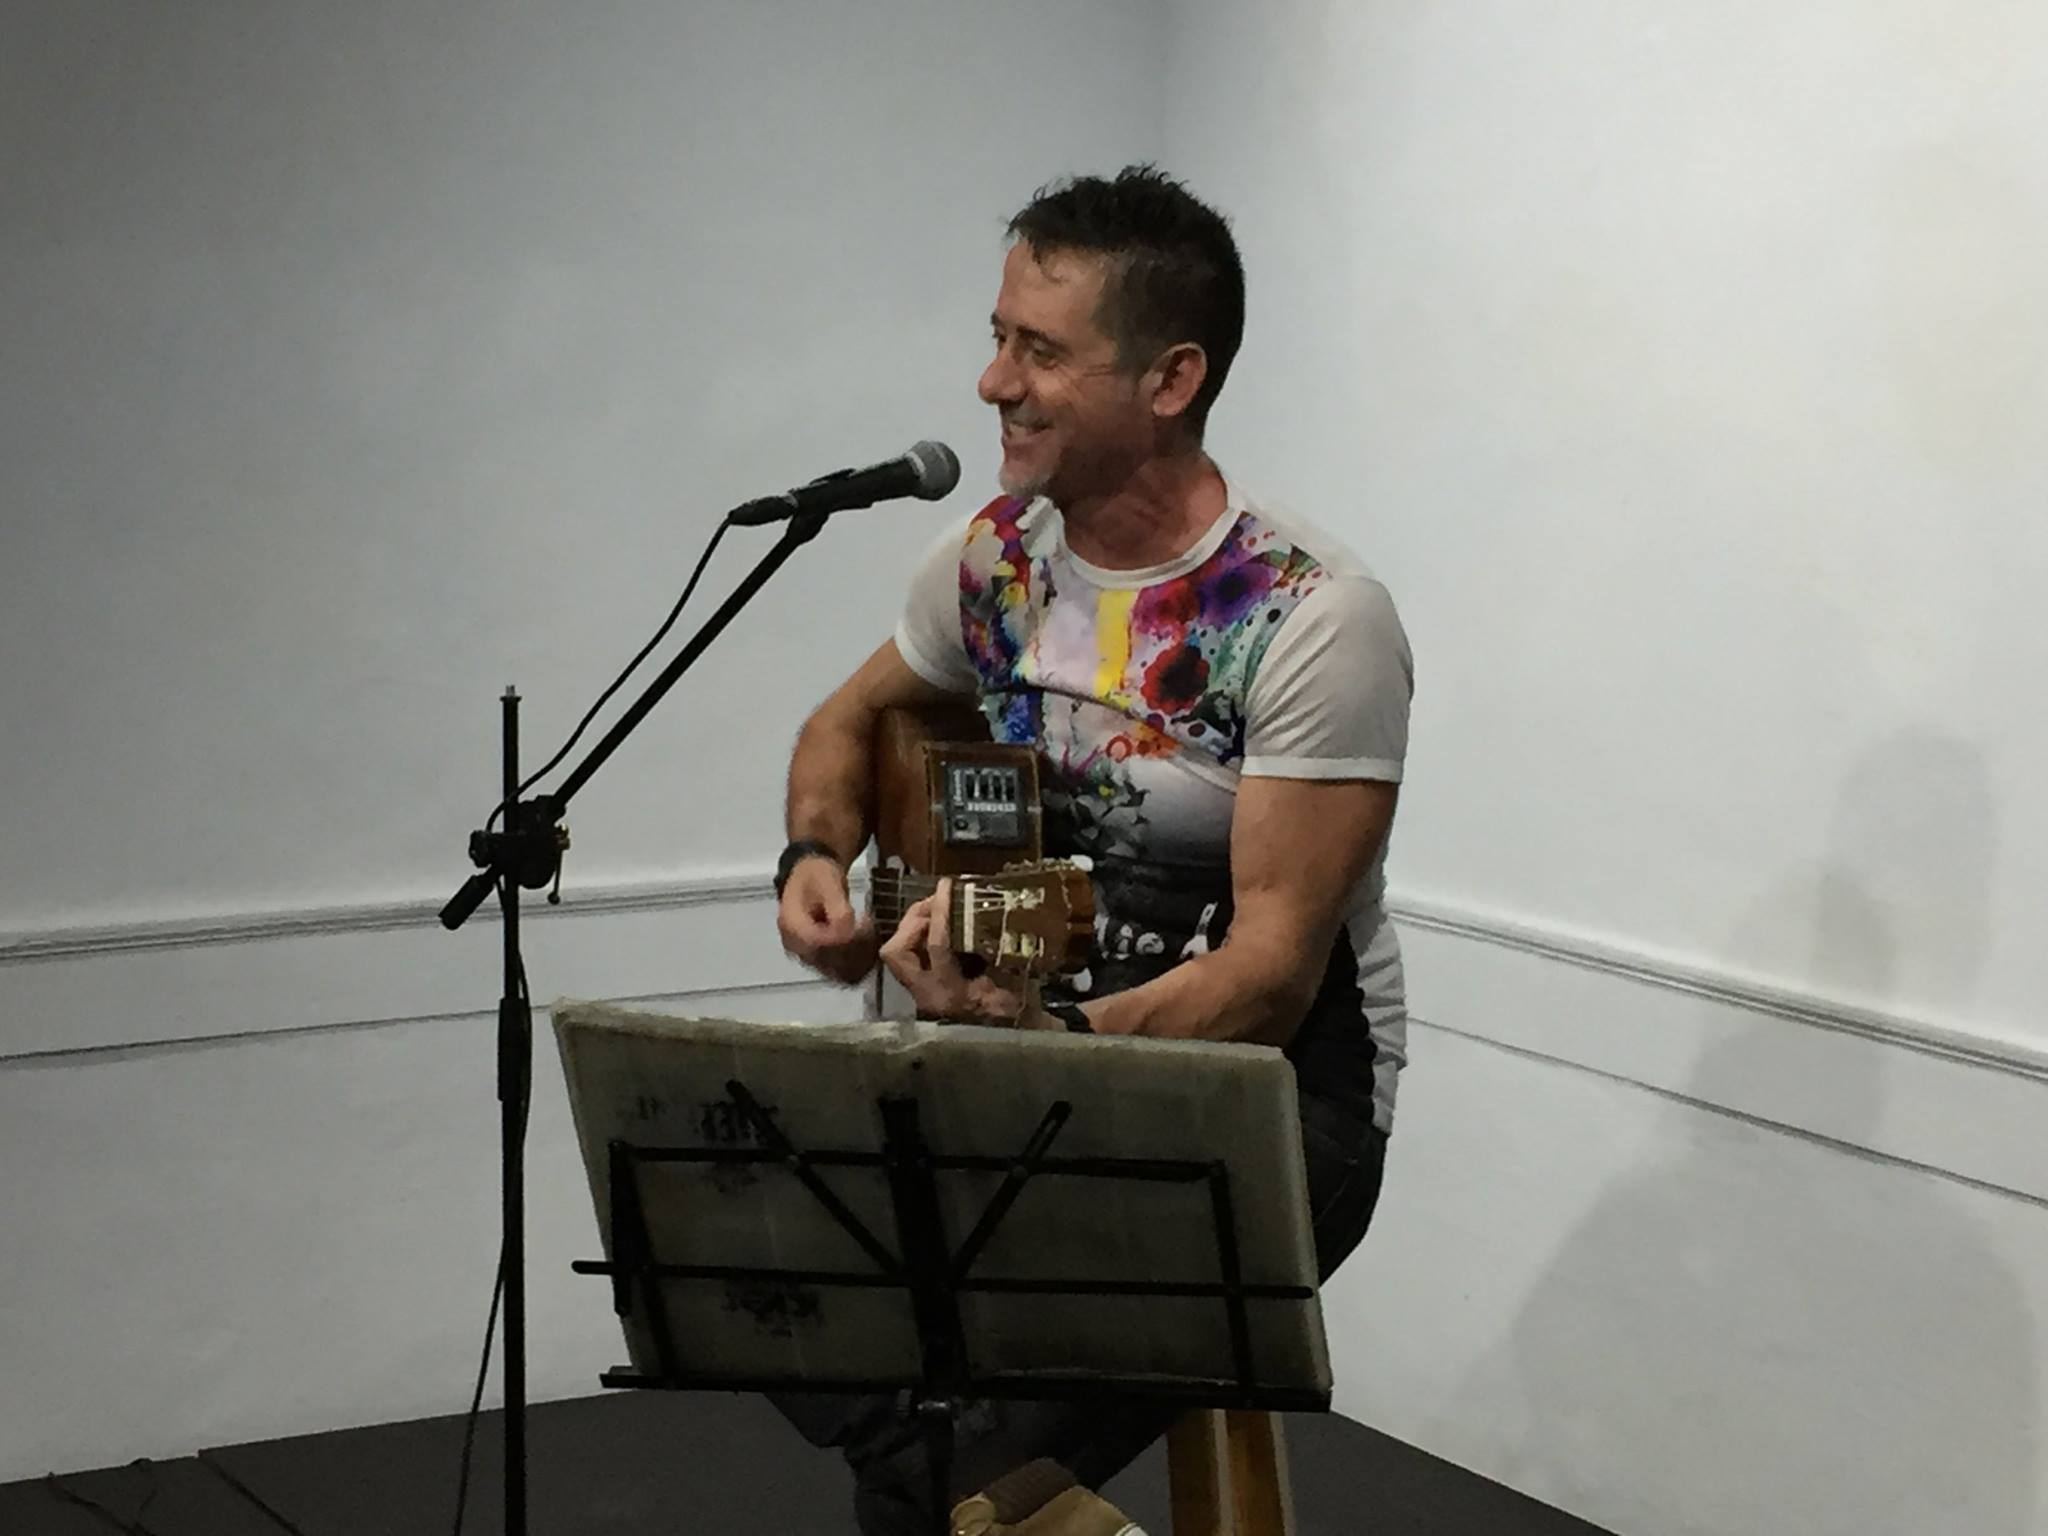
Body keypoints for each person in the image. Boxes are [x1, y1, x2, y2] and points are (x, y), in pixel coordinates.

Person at [770, 164, 1413, 1536]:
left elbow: (1269, 979)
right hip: (1033, 1074)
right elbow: (844, 722)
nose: (992, 381)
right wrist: (811, 861)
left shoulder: (1309, 613)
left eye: (1041, 350)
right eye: (999, 336)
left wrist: (1048, 1030)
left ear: (1171, 380)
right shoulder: (994, 562)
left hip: (1267, 1103)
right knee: (754, 1256)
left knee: (939, 1477)